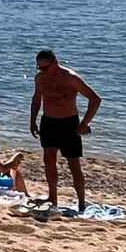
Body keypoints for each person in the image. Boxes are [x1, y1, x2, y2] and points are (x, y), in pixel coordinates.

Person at [30, 49, 101, 212]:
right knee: (49, 160)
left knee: (73, 164)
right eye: (39, 68)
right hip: (48, 122)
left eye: (45, 68)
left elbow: (95, 99)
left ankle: (82, 202)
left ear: (55, 63)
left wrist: (84, 123)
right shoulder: (40, 78)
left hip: (69, 124)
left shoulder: (71, 78)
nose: (42, 71)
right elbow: (36, 99)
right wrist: (32, 120)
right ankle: (52, 198)